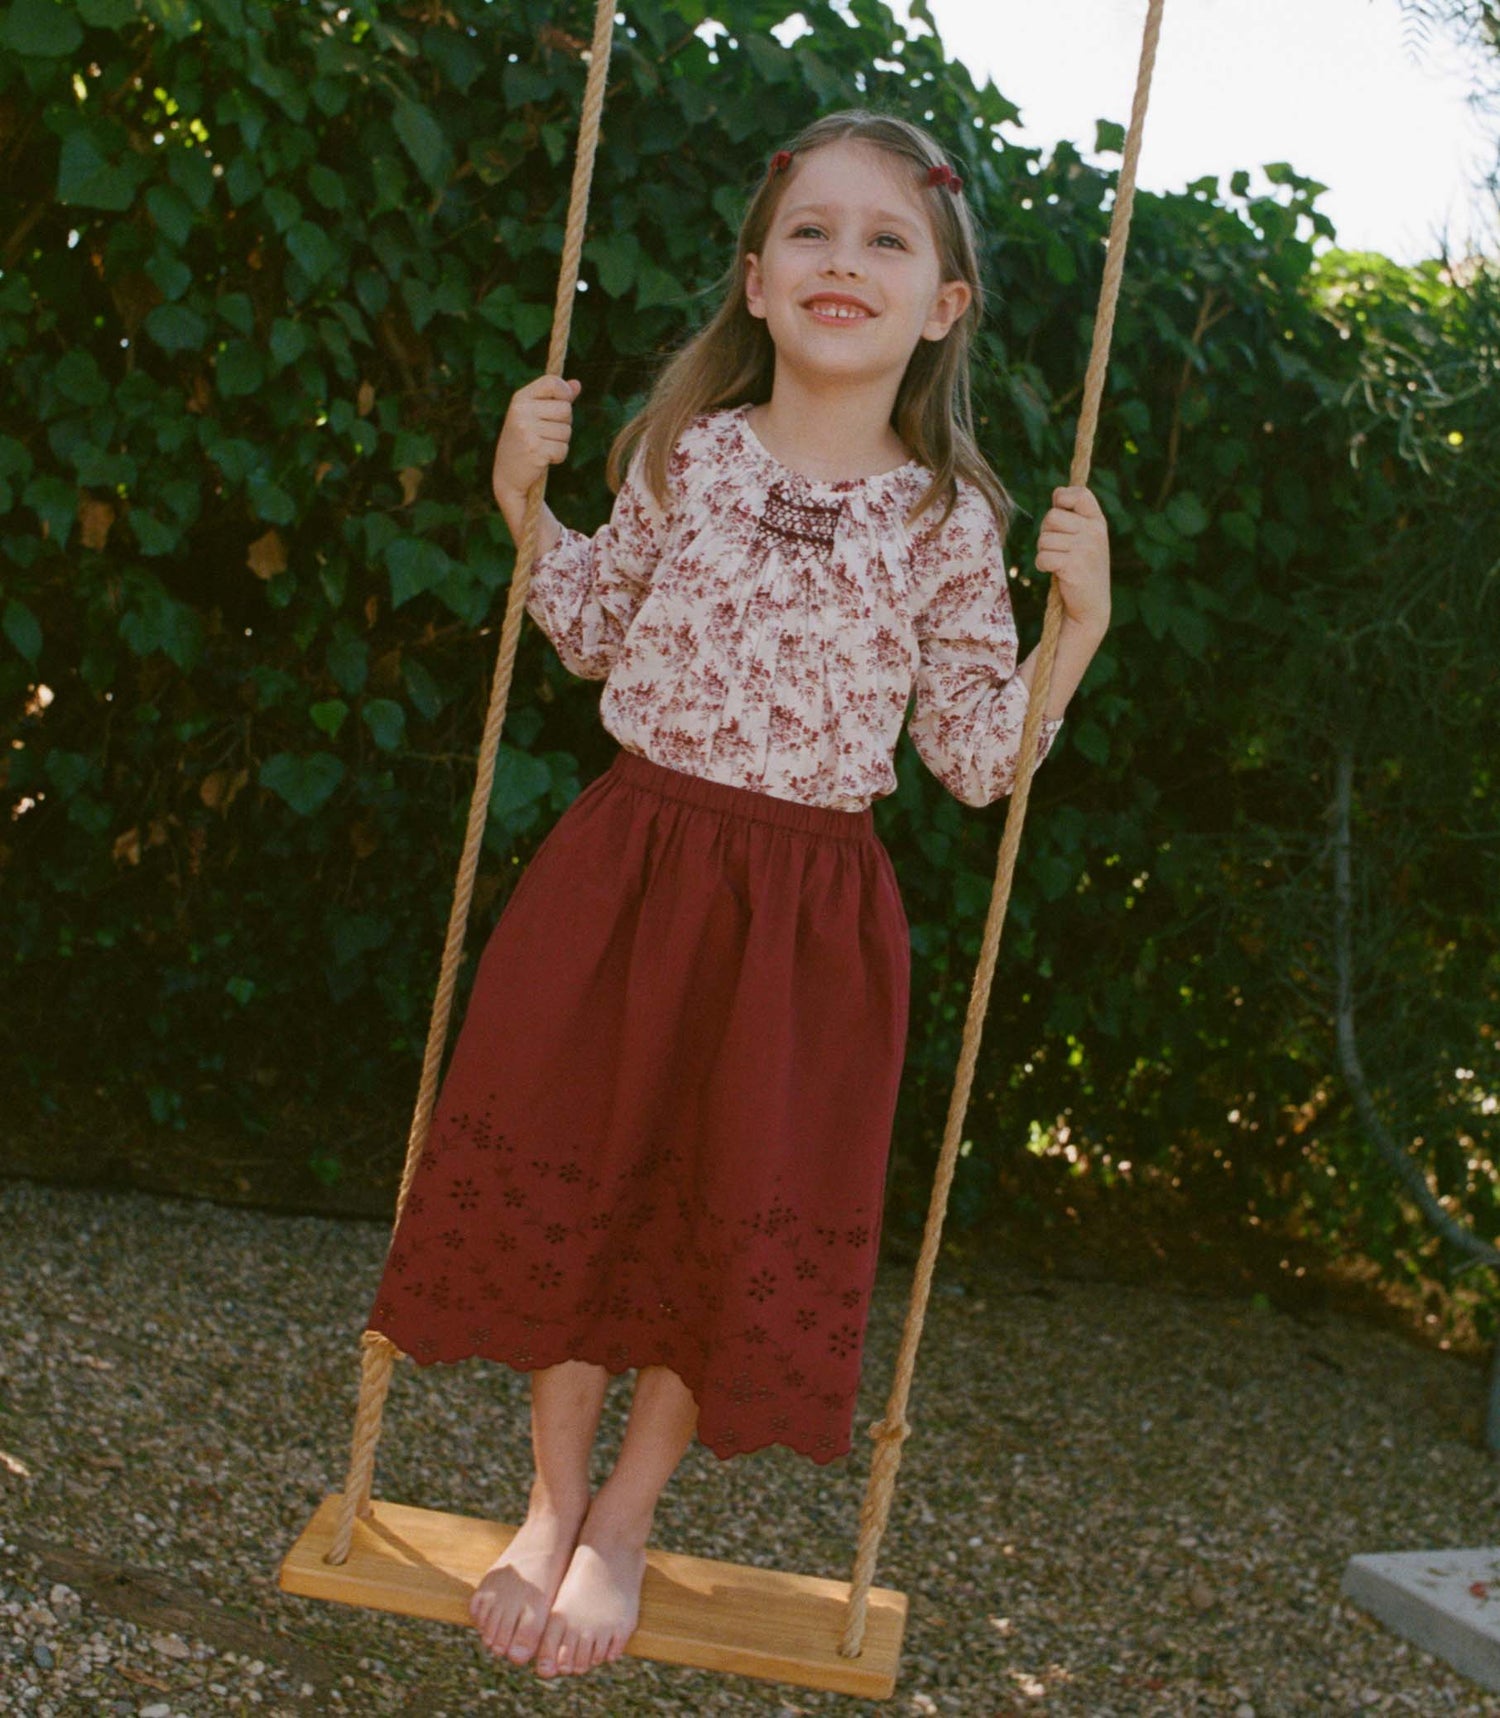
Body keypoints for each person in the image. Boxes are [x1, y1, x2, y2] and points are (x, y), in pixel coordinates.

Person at [364, 108, 1110, 1682]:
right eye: (815, 233)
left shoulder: (946, 523)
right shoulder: (684, 455)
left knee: (718, 1208)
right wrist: (523, 500)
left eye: (888, 239)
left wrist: (1078, 629)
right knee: (584, 1176)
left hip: (805, 919)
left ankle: (627, 1515)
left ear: (943, 308)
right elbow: (590, 628)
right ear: (758, 283)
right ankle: (549, 1501)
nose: (848, 259)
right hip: (632, 869)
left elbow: (979, 756)